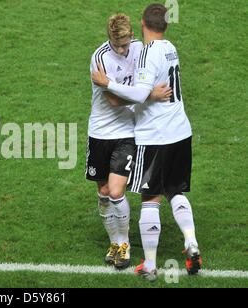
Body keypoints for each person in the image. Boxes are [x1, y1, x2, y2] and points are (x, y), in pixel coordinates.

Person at [92, 3, 202, 281]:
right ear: (166, 25)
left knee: (149, 198)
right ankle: (191, 242)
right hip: (181, 131)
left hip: (155, 135)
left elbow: (140, 95)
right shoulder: (171, 47)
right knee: (175, 191)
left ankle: (150, 265)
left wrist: (107, 83)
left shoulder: (146, 53)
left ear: (142, 24)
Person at [86, 13, 172, 270]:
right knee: (103, 194)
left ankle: (123, 245)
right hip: (100, 132)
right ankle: (114, 243)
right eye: (116, 45)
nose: (121, 50)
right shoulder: (100, 57)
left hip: (127, 132)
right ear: (109, 39)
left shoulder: (139, 50)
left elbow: (150, 81)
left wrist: (149, 93)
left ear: (132, 35)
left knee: (115, 191)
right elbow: (112, 100)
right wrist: (148, 96)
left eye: (124, 44)